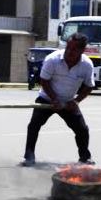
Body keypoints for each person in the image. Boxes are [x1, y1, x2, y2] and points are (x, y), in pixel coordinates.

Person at [21, 33, 95, 166]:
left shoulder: (87, 65)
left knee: (82, 129)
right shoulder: (52, 59)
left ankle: (85, 157)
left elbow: (89, 86)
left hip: (68, 102)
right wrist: (54, 99)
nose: (69, 52)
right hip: (47, 98)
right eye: (68, 48)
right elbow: (44, 80)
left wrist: (76, 101)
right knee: (34, 125)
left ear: (81, 51)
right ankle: (29, 156)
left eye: (73, 49)